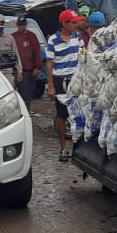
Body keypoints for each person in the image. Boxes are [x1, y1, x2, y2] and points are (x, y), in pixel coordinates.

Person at [46, 9, 82, 162]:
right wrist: (51, 85)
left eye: (76, 22)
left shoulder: (78, 37)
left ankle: (79, 148)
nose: (76, 25)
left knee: (79, 113)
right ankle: (63, 148)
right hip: (60, 80)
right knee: (62, 115)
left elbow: (83, 56)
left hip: (76, 79)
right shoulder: (53, 40)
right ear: (64, 23)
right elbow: (49, 63)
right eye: (73, 23)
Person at [11, 16, 42, 106]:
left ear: (26, 25)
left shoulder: (32, 36)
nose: (21, 27)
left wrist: (37, 68)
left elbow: (37, 52)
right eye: (20, 25)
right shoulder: (13, 36)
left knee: (26, 97)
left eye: (23, 25)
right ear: (17, 25)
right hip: (14, 71)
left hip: (28, 71)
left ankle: (27, 111)